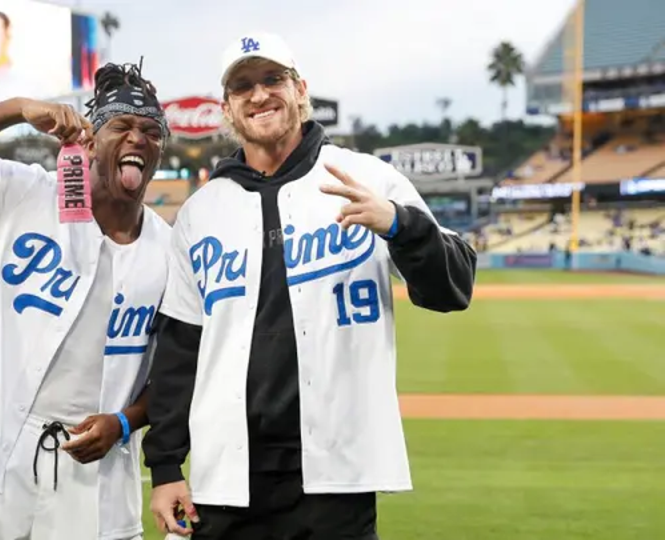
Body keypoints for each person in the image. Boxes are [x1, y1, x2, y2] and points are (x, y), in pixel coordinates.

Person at [143, 32, 477, 539]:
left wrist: (399, 225)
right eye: (243, 86)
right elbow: (180, 348)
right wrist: (165, 466)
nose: (259, 95)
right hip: (227, 478)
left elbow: (453, 287)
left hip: (336, 479)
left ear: (300, 89)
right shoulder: (201, 212)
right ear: (228, 109)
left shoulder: (366, 178)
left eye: (273, 79)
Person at [0, 60, 172, 540]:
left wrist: (126, 422)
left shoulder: (170, 251)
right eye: (121, 126)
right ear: (89, 140)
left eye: (151, 131)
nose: (137, 139)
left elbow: (175, 369)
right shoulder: (22, 193)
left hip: (98, 481)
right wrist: (17, 108)